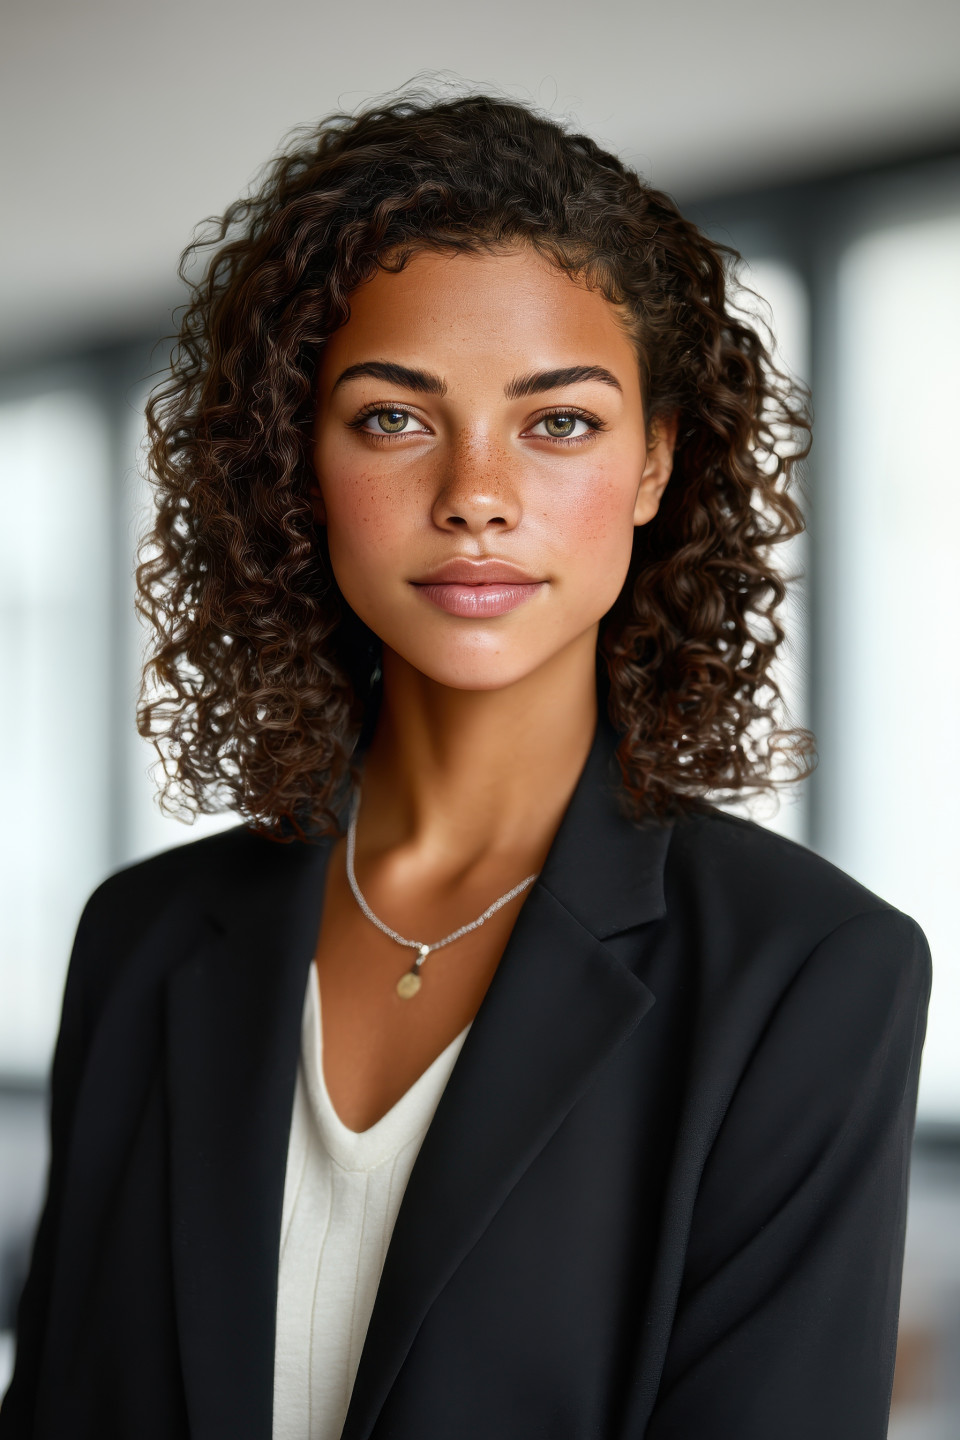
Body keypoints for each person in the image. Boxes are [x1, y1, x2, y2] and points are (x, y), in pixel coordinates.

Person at [0, 90, 931, 1440]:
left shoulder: (810, 973)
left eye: (559, 423)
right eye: (393, 418)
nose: (475, 493)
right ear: (298, 462)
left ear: (659, 462)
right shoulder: (142, 943)